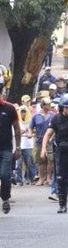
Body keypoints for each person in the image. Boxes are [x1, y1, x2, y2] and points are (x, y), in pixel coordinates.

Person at [0, 82, 20, 214]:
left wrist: (18, 147)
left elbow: (17, 129)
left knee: (5, 175)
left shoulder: (9, 108)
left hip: (5, 149)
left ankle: (5, 198)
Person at [29, 97, 55, 187]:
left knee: (50, 159)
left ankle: (48, 178)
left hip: (50, 140)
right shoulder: (36, 116)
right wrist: (30, 133)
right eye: (47, 104)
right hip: (39, 140)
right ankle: (41, 178)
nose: (48, 106)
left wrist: (52, 137)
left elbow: (55, 128)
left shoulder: (53, 115)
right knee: (41, 160)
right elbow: (31, 127)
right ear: (43, 105)